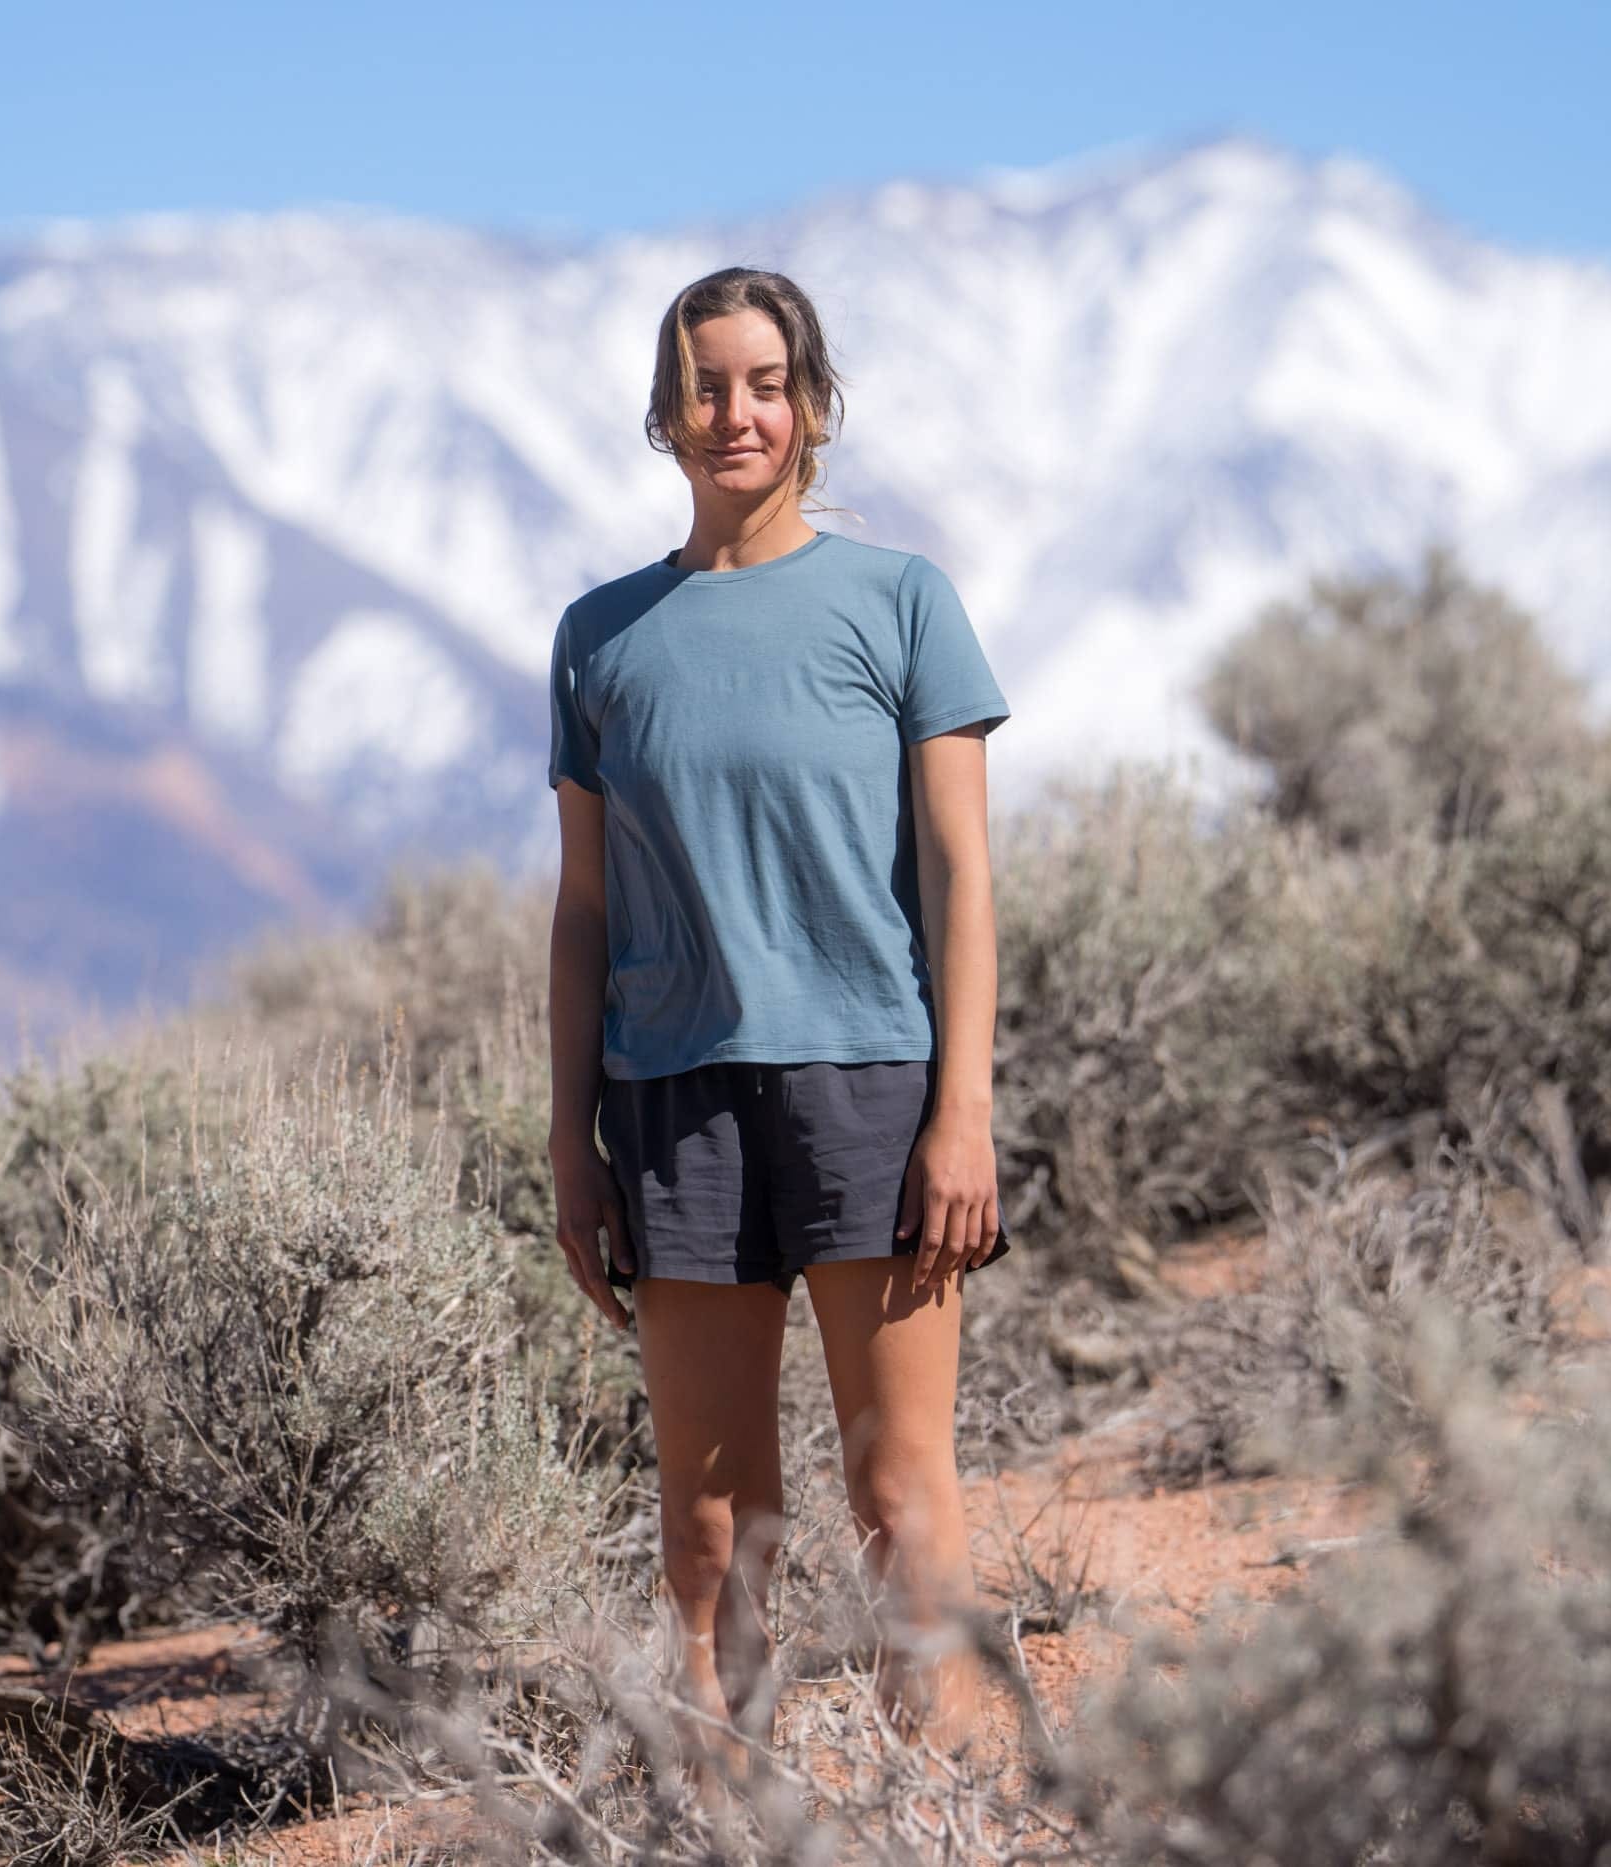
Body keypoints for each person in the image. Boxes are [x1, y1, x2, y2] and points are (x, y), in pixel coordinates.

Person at [544, 266, 1012, 1787]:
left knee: (900, 1488)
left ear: (810, 407)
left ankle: (937, 1810)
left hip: (872, 1084)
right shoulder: (603, 636)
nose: (735, 413)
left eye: (765, 383)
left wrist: (963, 1112)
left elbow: (960, 873)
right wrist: (572, 1142)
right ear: (664, 412)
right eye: (705, 385)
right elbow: (584, 913)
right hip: (673, 1103)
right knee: (711, 1526)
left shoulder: (900, 601)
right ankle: (722, 1818)